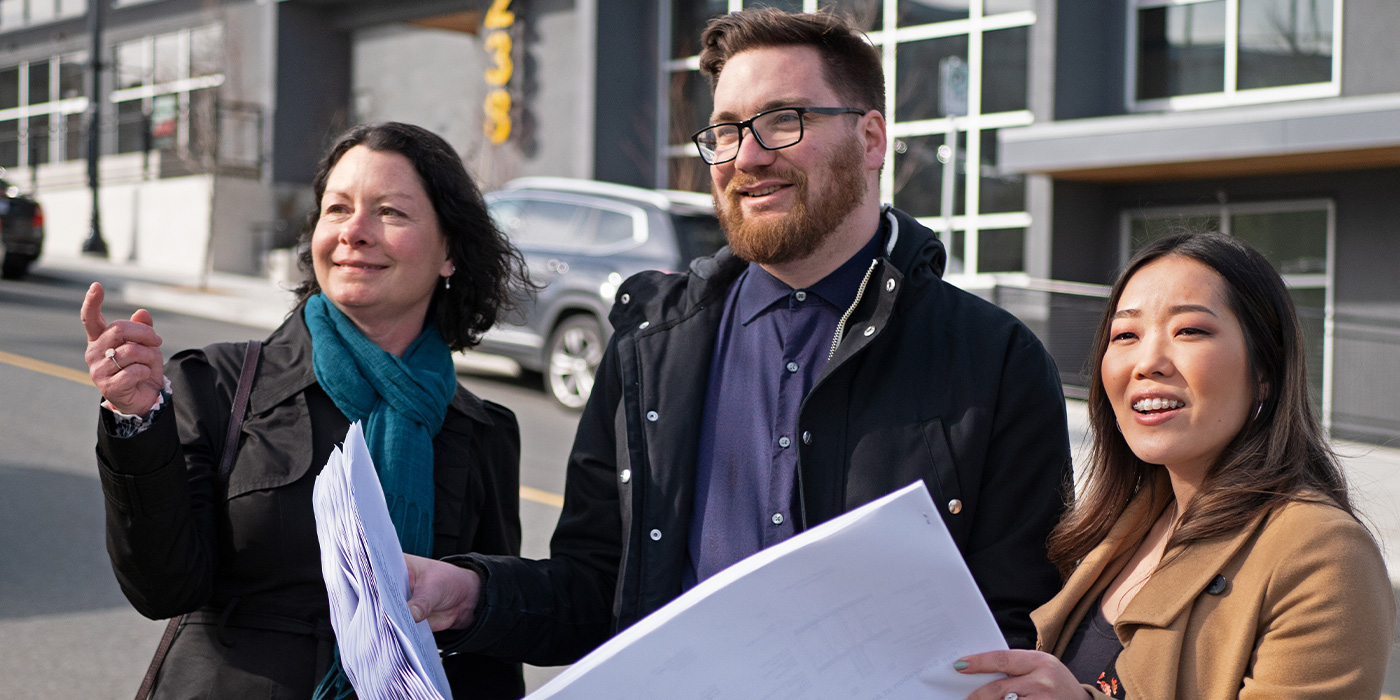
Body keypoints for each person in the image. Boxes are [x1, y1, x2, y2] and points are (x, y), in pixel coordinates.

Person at [402, 7, 1072, 666]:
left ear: (871, 140)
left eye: (783, 120)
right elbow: (598, 592)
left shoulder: (997, 361)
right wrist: (468, 595)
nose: (746, 156)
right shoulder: (648, 347)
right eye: (724, 131)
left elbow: (1017, 626)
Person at [80, 122, 531, 699]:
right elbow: (162, 587)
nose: (356, 233)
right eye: (337, 209)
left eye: (390, 212)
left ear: (449, 252)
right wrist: (135, 419)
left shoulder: (483, 431)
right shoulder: (216, 383)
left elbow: (488, 647)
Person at [955, 232, 1396, 699]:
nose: (1148, 362)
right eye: (1125, 335)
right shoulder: (1123, 527)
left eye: (1189, 331)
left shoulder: (1321, 553)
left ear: (1266, 372)